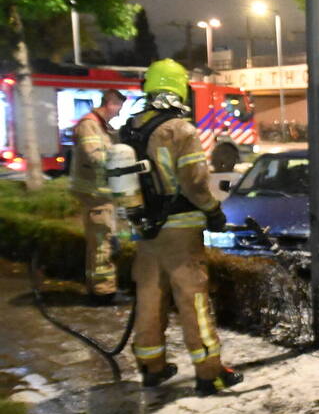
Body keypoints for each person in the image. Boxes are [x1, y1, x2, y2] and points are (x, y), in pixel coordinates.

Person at [121, 59, 242, 395]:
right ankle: (210, 373)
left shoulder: (132, 127)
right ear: (178, 88)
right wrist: (213, 211)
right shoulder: (180, 130)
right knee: (194, 299)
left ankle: (152, 367)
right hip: (180, 228)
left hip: (146, 229)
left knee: (149, 295)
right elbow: (193, 183)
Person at [70, 88, 128, 305]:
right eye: (118, 108)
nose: (119, 113)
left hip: (99, 194)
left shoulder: (98, 124)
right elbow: (96, 156)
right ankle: (103, 292)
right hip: (95, 194)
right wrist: (122, 163)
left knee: (99, 242)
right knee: (103, 242)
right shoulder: (90, 124)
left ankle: (98, 289)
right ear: (110, 103)